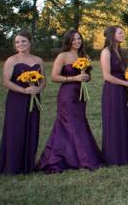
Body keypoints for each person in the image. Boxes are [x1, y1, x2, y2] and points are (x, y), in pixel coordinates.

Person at [37, 30, 103, 172]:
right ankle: (76, 158)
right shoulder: (63, 56)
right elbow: (54, 77)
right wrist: (73, 79)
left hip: (80, 94)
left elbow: (88, 76)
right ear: (68, 41)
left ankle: (78, 156)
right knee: (69, 123)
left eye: (79, 39)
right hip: (67, 94)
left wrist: (86, 77)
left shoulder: (84, 56)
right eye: (74, 39)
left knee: (80, 122)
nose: (77, 42)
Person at [0, 30, 45, 174]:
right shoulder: (12, 60)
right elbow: (6, 82)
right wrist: (24, 91)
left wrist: (38, 88)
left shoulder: (38, 60)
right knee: (15, 131)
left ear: (30, 42)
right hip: (17, 100)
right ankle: (12, 165)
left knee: (32, 129)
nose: (20, 44)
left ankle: (27, 165)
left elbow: (43, 80)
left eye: (23, 41)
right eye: (17, 42)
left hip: (34, 99)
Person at [100, 26, 128, 165]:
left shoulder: (121, 51)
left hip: (122, 90)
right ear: (112, 35)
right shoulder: (106, 52)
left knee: (122, 120)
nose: (123, 35)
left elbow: (123, 72)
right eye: (120, 33)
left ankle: (124, 155)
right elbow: (107, 76)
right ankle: (113, 157)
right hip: (112, 90)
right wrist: (126, 84)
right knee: (113, 121)